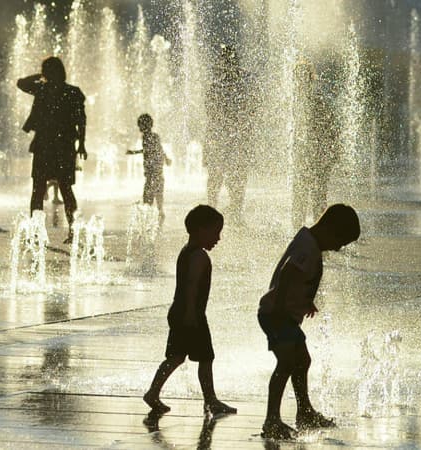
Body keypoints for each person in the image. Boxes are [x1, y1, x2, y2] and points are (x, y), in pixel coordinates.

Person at [257, 204, 360, 439]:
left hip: (281, 315)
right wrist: (283, 306)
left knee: (301, 360)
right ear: (329, 229)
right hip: (277, 315)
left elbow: (297, 276)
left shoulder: (308, 242)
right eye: (339, 242)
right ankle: (271, 420)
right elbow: (289, 272)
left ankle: (304, 412)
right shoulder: (308, 247)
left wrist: (306, 300)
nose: (337, 248)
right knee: (286, 364)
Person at [143, 205, 236, 416]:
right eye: (215, 232)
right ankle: (210, 400)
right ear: (200, 231)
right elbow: (192, 287)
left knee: (180, 357)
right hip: (190, 313)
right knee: (201, 357)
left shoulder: (187, 252)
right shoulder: (199, 256)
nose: (218, 238)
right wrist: (191, 315)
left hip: (182, 311)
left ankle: (154, 393)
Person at [18, 56, 87, 243]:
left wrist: (82, 144)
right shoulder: (70, 92)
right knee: (64, 188)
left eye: (46, 70)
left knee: (40, 189)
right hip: (62, 146)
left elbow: (22, 83)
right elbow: (82, 121)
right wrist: (81, 144)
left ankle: (37, 232)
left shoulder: (45, 89)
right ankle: (71, 231)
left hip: (48, 145)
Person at [204, 46, 257, 225]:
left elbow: (211, 111)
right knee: (223, 176)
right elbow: (250, 111)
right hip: (226, 138)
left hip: (228, 138)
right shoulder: (224, 86)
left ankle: (228, 210)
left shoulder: (222, 86)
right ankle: (224, 210)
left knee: (227, 176)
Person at [292, 59, 340, 229]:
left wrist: (333, 152)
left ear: (310, 79)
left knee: (317, 194)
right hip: (303, 154)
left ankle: (318, 230)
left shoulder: (317, 100)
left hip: (317, 155)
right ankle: (298, 229)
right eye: (297, 77)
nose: (299, 81)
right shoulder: (294, 102)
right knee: (301, 194)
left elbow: (332, 127)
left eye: (303, 77)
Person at [127, 114, 171, 222]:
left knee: (148, 194)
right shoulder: (153, 136)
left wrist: (134, 152)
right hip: (155, 169)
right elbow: (157, 149)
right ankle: (159, 212)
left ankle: (152, 215)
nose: (139, 128)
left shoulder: (148, 137)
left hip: (152, 169)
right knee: (157, 191)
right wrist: (166, 159)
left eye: (140, 125)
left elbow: (152, 150)